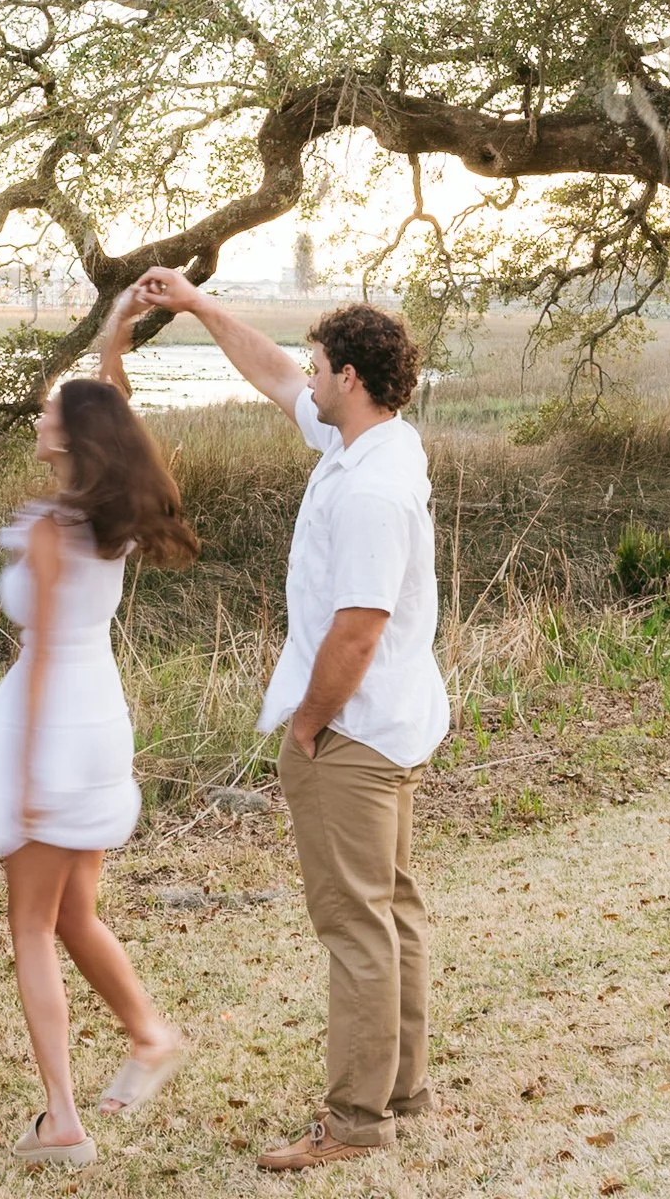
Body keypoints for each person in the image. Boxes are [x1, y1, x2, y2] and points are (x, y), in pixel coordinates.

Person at [135, 268, 450, 1171]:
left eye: (320, 366)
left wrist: (308, 724)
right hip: (389, 723)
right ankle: (403, 1090)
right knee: (391, 910)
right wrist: (196, 306)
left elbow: (358, 629)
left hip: (352, 734)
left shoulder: (370, 491)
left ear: (349, 378)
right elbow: (273, 373)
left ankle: (355, 1122)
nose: (305, 378)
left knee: (356, 924)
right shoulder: (374, 444)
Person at [0, 291, 198, 1168]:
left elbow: (48, 661)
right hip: (103, 725)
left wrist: (24, 781)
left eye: (53, 410)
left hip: (57, 727)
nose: (41, 415)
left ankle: (62, 1119)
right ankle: (147, 1034)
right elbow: (115, 408)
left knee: (31, 925)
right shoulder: (112, 513)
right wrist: (111, 343)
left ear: (73, 435)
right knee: (72, 916)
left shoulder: (60, 529)